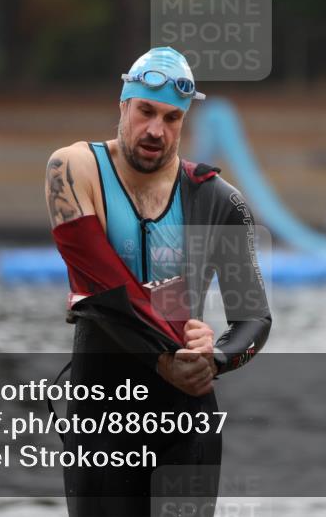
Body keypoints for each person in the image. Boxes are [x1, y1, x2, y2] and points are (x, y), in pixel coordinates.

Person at [44, 46, 272, 516]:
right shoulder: (73, 169)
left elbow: (254, 319)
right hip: (102, 414)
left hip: (185, 414)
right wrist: (166, 357)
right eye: (146, 111)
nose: (156, 130)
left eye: (172, 118)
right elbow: (105, 289)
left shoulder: (218, 200)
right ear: (123, 105)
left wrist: (216, 358)